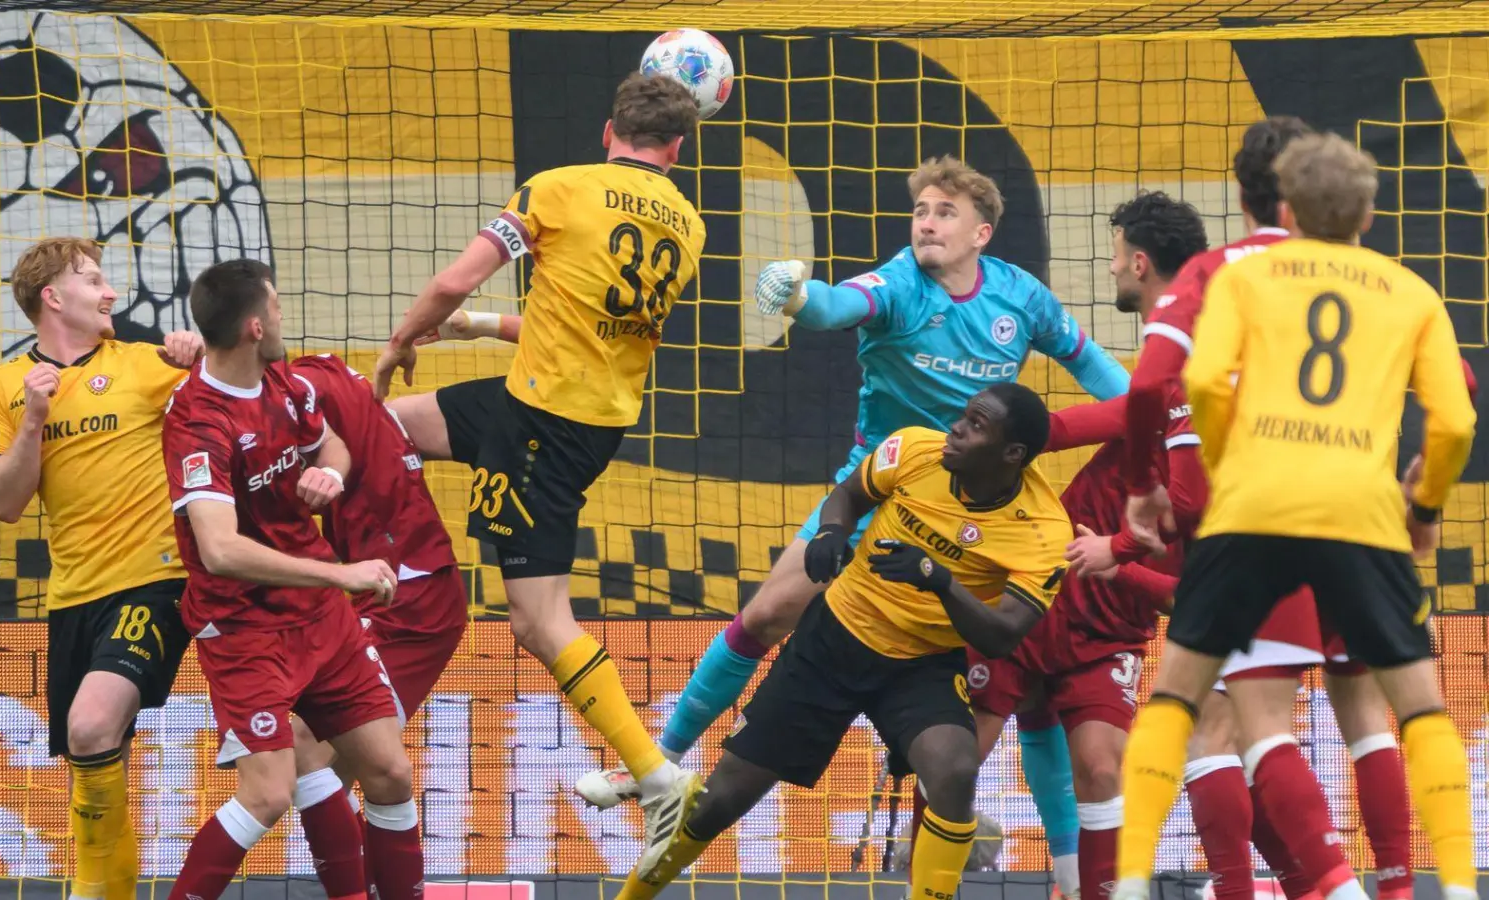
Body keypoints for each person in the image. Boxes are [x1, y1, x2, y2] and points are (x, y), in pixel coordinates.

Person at [578, 155, 1130, 895]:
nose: (926, 223)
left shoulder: (1021, 298)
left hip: (976, 521)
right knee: (771, 608)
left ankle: (1071, 876)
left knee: (1031, 685)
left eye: (943, 213)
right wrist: (798, 297)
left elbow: (1104, 377)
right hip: (880, 489)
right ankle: (657, 765)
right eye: (921, 211)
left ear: (982, 232)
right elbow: (838, 308)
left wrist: (1160, 419)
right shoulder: (901, 282)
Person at [1112, 133, 1478, 900]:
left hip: (1258, 514)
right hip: (1365, 514)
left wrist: (1218, 460)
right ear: (1367, 214)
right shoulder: (1404, 288)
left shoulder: (1238, 276)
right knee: (1405, 713)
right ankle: (1427, 886)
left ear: (1264, 201)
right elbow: (1453, 415)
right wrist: (1425, 504)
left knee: (1197, 705)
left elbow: (1191, 381)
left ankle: (1141, 879)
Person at [376, 72, 707, 872]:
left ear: (607, 131)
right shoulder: (689, 226)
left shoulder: (558, 189)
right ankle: (359, 578)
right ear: (678, 148)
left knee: (537, 621)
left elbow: (457, 276)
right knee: (378, 429)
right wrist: (483, 328)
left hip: (539, 424)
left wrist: (401, 345)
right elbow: (585, 321)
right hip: (570, 410)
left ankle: (658, 776)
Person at [613, 382, 1071, 900]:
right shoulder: (916, 449)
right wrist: (832, 533)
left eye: (976, 426)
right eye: (962, 417)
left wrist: (937, 578)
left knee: (955, 769)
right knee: (723, 798)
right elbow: (850, 495)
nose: (956, 430)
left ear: (1013, 454)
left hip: (922, 664)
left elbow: (1003, 635)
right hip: (833, 640)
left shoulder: (1044, 530)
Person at [955, 192, 1209, 900]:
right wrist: (973, 435)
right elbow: (1062, 427)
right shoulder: (1163, 390)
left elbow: (1189, 597)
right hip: (1032, 593)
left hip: (1110, 629)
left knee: (1103, 768)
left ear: (1139, 261)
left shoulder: (1216, 420)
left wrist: (1113, 557)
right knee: (955, 759)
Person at [161, 260, 421, 900]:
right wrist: (341, 573)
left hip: (320, 620)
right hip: (246, 627)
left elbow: (331, 445)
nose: (283, 315)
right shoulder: (198, 420)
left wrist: (329, 474)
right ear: (254, 325)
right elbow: (220, 550)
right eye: (276, 307)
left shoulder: (285, 381)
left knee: (390, 772)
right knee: (268, 792)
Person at [0, 237, 203, 900]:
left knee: (91, 725)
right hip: (73, 597)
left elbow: (249, 385)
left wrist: (202, 358)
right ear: (54, 297)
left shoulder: (147, 363)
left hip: (156, 581)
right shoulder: (2, 387)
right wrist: (34, 422)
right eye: (95, 281)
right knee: (93, 769)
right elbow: (5, 503)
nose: (110, 294)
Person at [286, 351, 468, 899]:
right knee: (331, 773)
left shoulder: (292, 393)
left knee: (304, 750)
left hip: (407, 600)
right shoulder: (331, 376)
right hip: (383, 591)